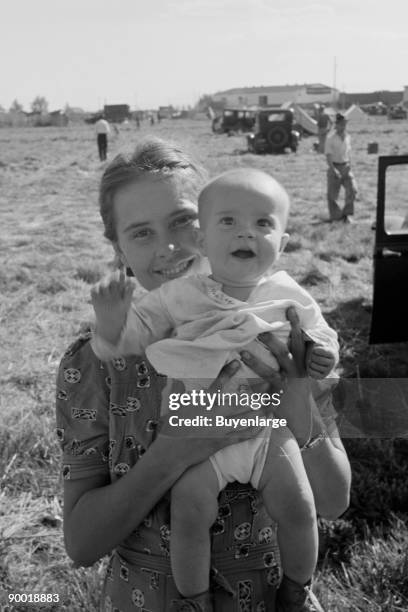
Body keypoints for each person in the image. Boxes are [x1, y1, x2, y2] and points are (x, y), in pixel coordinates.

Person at [56, 137, 351, 612]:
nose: (170, 248)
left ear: (214, 220)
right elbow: (82, 544)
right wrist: (176, 451)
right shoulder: (92, 363)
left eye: (183, 221)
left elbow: (334, 501)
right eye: (140, 233)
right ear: (117, 247)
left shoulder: (276, 328)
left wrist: (297, 401)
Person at [324, 113, 358, 223]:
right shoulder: (330, 138)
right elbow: (328, 155)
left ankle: (347, 215)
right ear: (336, 125)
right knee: (332, 195)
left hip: (346, 166)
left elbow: (348, 153)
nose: (343, 126)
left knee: (352, 190)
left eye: (345, 124)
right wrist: (333, 169)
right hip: (334, 165)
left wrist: (350, 165)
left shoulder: (348, 137)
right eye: (341, 124)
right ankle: (336, 217)